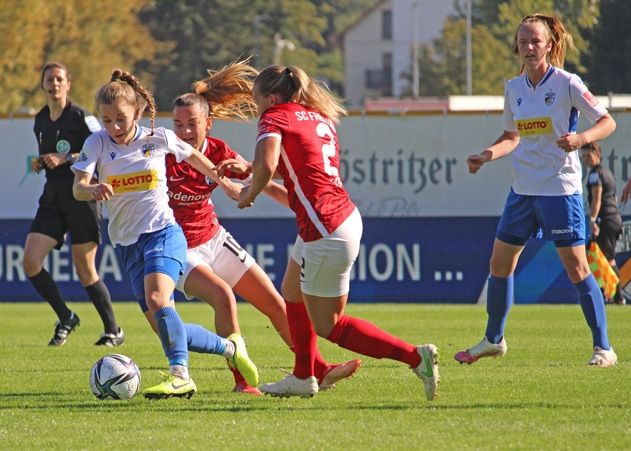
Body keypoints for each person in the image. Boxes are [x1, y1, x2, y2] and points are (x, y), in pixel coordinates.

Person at [219, 65, 439, 401]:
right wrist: (251, 175)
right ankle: (304, 375)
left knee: (330, 325)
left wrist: (248, 193)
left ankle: (415, 357)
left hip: (326, 230)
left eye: (257, 101)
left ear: (274, 97)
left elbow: (268, 166)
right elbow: (293, 174)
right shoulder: (315, 116)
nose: (257, 109)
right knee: (291, 291)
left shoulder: (275, 115)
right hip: (339, 219)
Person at [168, 60, 361, 395]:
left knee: (276, 302)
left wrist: (298, 204)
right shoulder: (163, 154)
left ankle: (316, 368)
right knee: (223, 297)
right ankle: (242, 381)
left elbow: (263, 179)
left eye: (192, 124)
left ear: (208, 124)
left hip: (214, 238)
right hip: (178, 247)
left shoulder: (218, 152)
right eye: (178, 124)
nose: (184, 132)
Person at [72, 68, 257, 399]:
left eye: (120, 119)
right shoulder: (96, 143)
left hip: (163, 233)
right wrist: (93, 188)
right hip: (127, 245)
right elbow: (78, 188)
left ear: (138, 113)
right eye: (106, 120)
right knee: (168, 330)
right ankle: (231, 350)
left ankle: (180, 376)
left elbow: (197, 158)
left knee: (159, 300)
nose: (113, 127)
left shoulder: (158, 138)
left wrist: (226, 185)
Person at [454, 13, 618, 367]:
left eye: (535, 41)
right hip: (522, 191)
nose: (529, 47)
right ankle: (493, 340)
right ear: (516, 47)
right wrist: (486, 155)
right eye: (523, 42)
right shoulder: (513, 88)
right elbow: (512, 137)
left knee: (576, 267)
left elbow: (607, 121)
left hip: (560, 190)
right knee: (499, 264)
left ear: (549, 45)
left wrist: (581, 138)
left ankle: (604, 348)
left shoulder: (567, 83)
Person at [23, 61, 123, 347]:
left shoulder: (82, 117)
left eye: (59, 79)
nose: (54, 84)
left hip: (81, 195)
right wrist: (41, 162)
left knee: (85, 269)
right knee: (30, 261)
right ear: (42, 85)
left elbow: (102, 150)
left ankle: (113, 330)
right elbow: (48, 154)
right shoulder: (40, 119)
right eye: (49, 80)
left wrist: (65, 158)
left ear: (68, 84)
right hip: (52, 196)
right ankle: (66, 316)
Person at [581, 141, 625, 305]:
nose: (586, 159)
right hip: (614, 218)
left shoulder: (594, 174)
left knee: (606, 258)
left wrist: (592, 220)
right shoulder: (607, 172)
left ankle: (617, 296)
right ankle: (613, 295)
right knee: (607, 258)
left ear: (597, 154)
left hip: (605, 219)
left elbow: (597, 200)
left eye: (589, 155)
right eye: (584, 156)